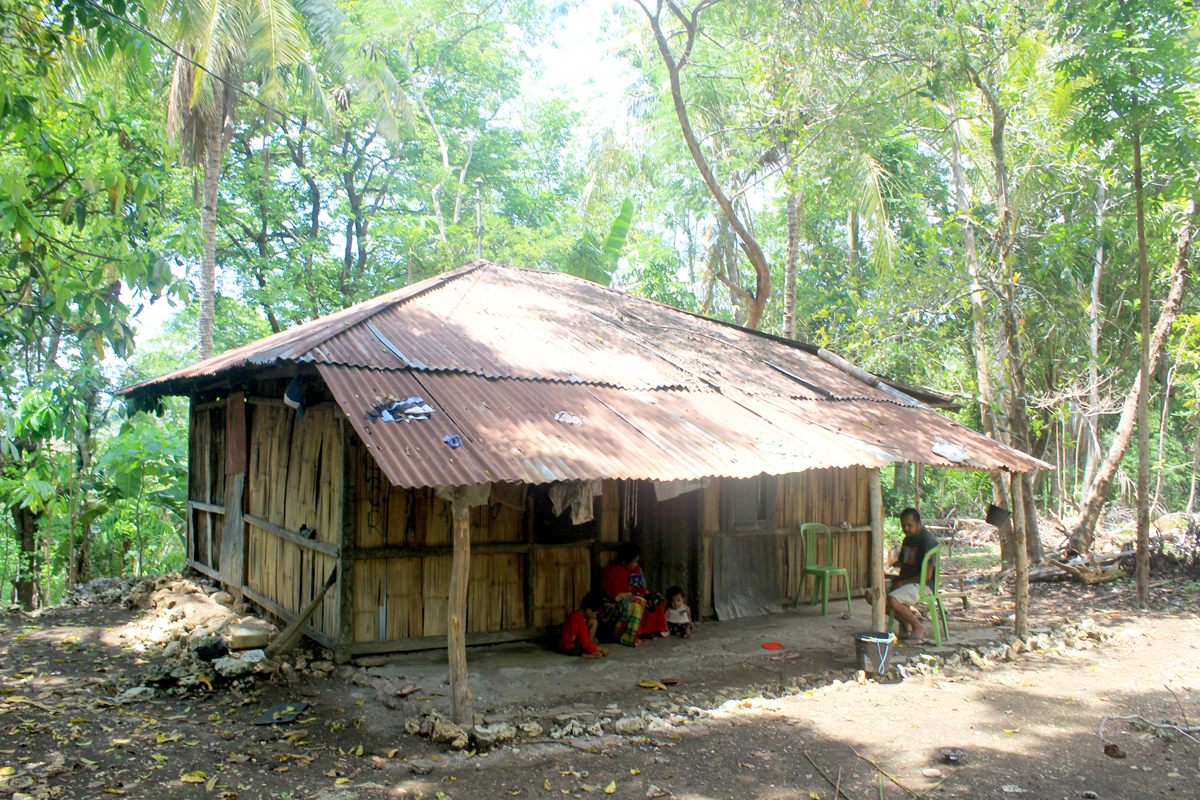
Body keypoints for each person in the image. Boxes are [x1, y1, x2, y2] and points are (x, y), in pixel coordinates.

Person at [864, 507, 939, 642]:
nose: (906, 528)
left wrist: (901, 584)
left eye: (910, 525)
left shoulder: (927, 541)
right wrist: (893, 581)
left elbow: (927, 576)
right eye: (903, 525)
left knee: (893, 599)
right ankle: (905, 623)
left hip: (923, 585)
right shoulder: (907, 540)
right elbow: (904, 568)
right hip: (906, 582)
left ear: (919, 524)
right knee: (872, 596)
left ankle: (918, 626)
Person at [601, 542, 669, 646]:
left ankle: (651, 630)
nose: (636, 564)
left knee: (657, 598)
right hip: (618, 603)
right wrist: (634, 595)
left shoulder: (637, 570)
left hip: (636, 596)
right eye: (634, 562)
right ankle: (631, 635)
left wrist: (645, 594)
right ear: (624, 562)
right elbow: (614, 594)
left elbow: (642, 588)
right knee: (637, 601)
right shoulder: (613, 572)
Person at [559, 592, 609, 658]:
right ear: (588, 610)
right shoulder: (580, 620)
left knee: (595, 640)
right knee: (598, 653)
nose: (595, 616)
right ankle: (583, 653)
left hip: (564, 645)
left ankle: (587, 649)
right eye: (595, 614)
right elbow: (585, 644)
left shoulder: (575, 613)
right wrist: (602, 649)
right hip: (570, 648)